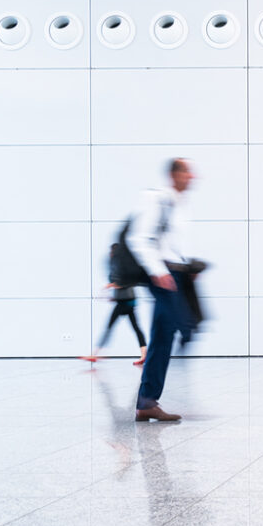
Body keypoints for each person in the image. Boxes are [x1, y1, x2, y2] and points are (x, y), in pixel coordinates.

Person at [126, 158, 198, 423]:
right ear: (174, 175)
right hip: (163, 276)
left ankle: (147, 401)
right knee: (179, 328)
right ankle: (148, 399)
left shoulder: (179, 204)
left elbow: (171, 242)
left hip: (175, 274)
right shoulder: (156, 199)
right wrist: (158, 270)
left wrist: (187, 267)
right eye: (188, 172)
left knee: (165, 334)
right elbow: (139, 238)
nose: (193, 177)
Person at [81, 244, 147, 365]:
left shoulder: (123, 266)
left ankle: (95, 354)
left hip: (127, 302)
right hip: (124, 301)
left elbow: (127, 283)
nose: (110, 254)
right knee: (134, 328)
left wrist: (110, 286)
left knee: (111, 327)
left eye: (112, 252)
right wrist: (113, 296)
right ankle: (144, 354)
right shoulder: (117, 266)